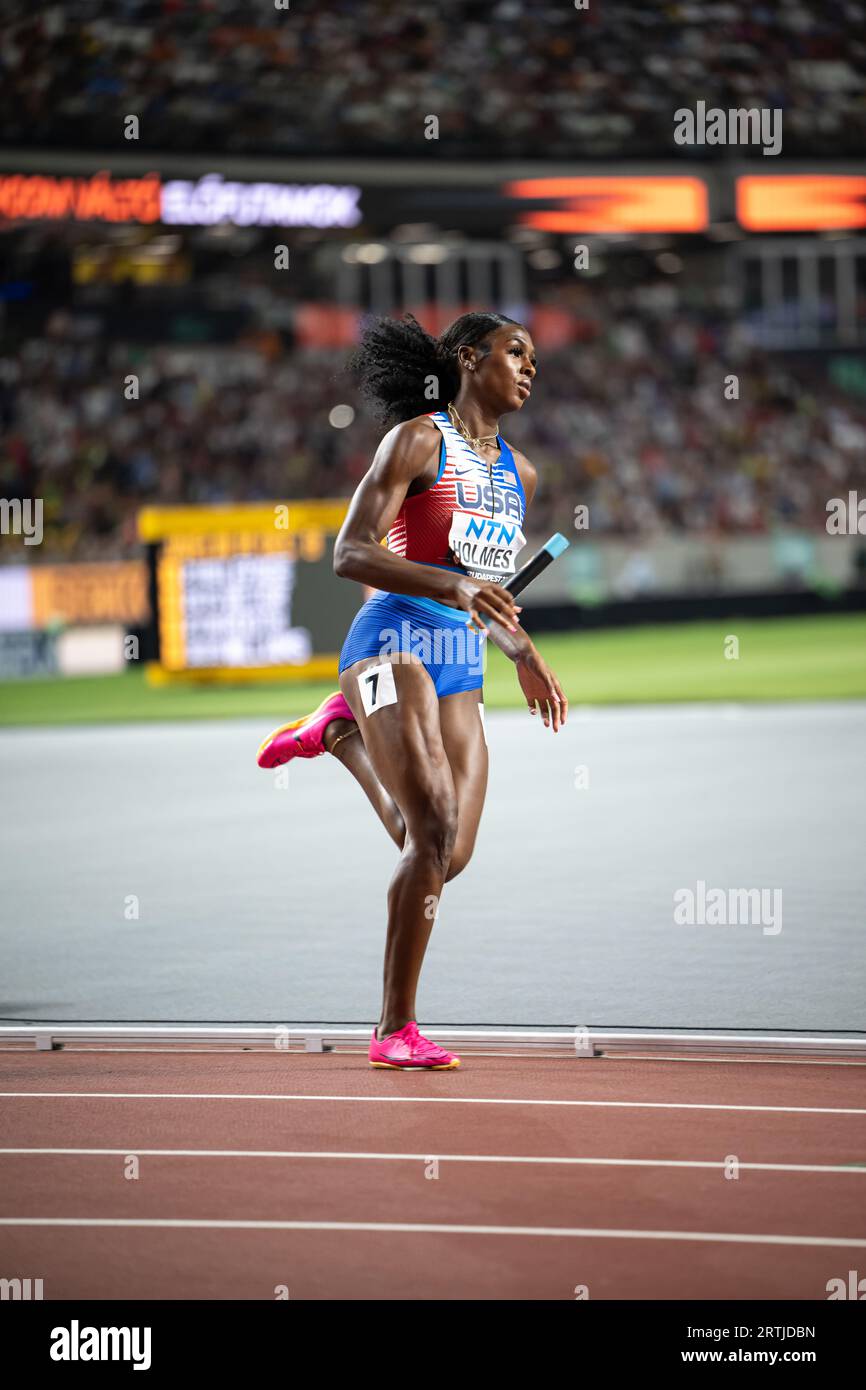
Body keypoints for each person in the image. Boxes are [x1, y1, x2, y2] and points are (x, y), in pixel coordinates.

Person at [258, 312, 567, 1068]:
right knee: (427, 832)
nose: (529, 368)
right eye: (515, 353)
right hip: (393, 641)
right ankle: (395, 1029)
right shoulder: (418, 439)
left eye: (535, 359)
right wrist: (453, 584)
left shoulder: (521, 474)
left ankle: (338, 734)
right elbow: (350, 552)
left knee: (446, 852)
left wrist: (520, 649)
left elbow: (488, 591)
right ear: (468, 357)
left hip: (463, 656)